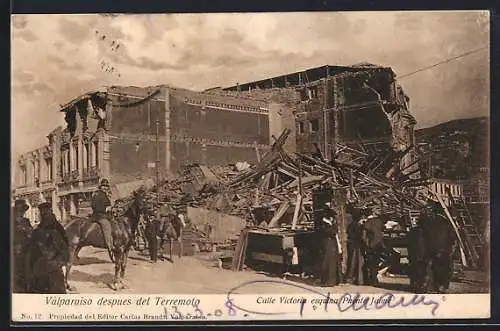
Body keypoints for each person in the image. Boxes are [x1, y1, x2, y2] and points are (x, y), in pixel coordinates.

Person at [28, 202, 69, 294]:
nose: (43, 214)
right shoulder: (37, 231)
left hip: (51, 267)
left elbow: (65, 248)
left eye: (44, 212)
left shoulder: (55, 229)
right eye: (42, 213)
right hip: (44, 268)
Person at [419, 198, 456, 293]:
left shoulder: (429, 222)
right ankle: (441, 286)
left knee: (432, 267)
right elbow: (452, 237)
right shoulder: (447, 223)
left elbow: (423, 233)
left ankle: (429, 286)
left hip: (431, 249)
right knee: (444, 267)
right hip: (443, 250)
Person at [317, 202, 342, 287]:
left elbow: (334, 231)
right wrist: (333, 230)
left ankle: (334, 280)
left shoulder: (330, 222)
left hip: (332, 242)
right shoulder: (323, 222)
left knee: (333, 261)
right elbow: (328, 232)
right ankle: (328, 280)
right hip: (328, 242)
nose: (333, 217)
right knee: (328, 261)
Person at [89, 178, 114, 261]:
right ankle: (110, 246)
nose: (105, 188)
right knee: (106, 225)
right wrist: (105, 209)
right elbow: (94, 206)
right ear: (100, 186)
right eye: (104, 186)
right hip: (99, 215)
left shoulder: (105, 195)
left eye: (106, 186)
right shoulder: (97, 194)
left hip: (106, 215)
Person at [360, 207, 385, 286]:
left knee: (372, 262)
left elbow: (363, 236)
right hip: (377, 244)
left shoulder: (368, 222)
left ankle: (372, 278)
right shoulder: (377, 221)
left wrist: (366, 244)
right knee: (375, 262)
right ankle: (373, 279)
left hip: (372, 244)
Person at [13, 199, 33, 293]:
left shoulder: (26, 221)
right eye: (20, 210)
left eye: (23, 210)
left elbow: (31, 232)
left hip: (26, 247)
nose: (22, 212)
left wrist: (27, 230)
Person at [345, 204, 365, 285]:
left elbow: (349, 234)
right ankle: (359, 279)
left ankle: (351, 278)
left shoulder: (351, 225)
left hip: (353, 244)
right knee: (358, 262)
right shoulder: (359, 225)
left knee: (352, 262)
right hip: (358, 245)